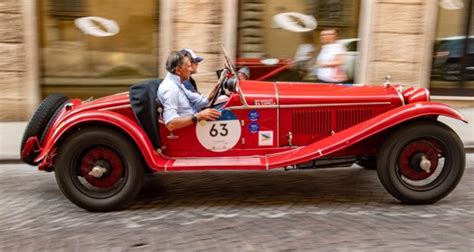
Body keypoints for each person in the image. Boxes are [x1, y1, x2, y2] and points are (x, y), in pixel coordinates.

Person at [157, 50, 221, 132]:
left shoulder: (178, 84)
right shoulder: (171, 89)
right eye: (188, 66)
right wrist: (198, 116)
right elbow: (171, 124)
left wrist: (216, 88)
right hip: (188, 131)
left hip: (194, 124)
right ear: (178, 70)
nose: (191, 69)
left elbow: (201, 101)